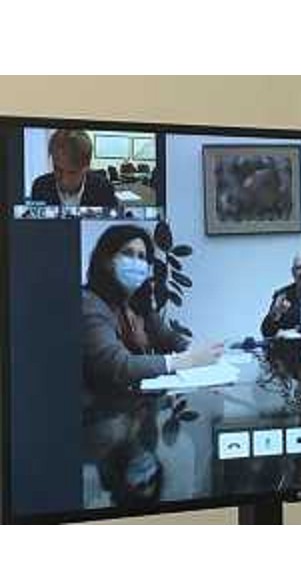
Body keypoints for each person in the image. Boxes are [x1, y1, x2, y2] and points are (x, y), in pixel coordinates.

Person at [82, 224, 223, 507]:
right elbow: (116, 365)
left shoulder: (136, 301)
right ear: (106, 260)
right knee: (185, 445)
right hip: (100, 417)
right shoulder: (89, 304)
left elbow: (167, 337)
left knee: (210, 412)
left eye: (142, 257)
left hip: (134, 410)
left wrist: (196, 351)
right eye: (128, 254)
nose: (137, 263)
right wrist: (183, 361)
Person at [31, 129, 117, 207]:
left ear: (86, 167)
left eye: (71, 172)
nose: (63, 180)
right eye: (57, 169)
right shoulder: (40, 187)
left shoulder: (104, 189)